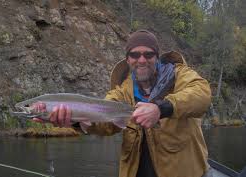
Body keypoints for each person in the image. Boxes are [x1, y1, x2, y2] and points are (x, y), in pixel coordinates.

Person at [34, 30, 212, 177]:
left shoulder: (179, 74)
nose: (141, 60)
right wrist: (74, 120)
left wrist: (161, 108)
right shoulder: (122, 92)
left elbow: (201, 94)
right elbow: (103, 125)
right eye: (134, 54)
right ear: (128, 60)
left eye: (148, 54)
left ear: (157, 57)